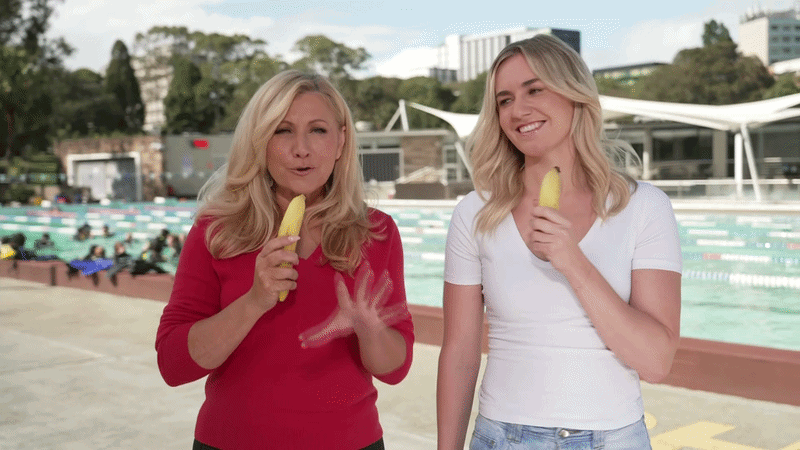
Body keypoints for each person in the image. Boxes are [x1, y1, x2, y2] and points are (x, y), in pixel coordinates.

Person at [437, 35, 682, 450]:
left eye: (534, 90)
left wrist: (573, 261)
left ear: (574, 94)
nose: (518, 110)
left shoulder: (643, 206)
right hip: (503, 438)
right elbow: (460, 352)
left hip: (614, 439)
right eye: (504, 100)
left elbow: (656, 362)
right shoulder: (475, 213)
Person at [155, 70, 414, 450]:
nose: (301, 149)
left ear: (341, 140)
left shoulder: (375, 232)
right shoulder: (217, 230)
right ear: (260, 141)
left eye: (318, 130)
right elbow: (173, 365)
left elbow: (395, 370)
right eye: (283, 130)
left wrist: (369, 329)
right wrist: (253, 301)